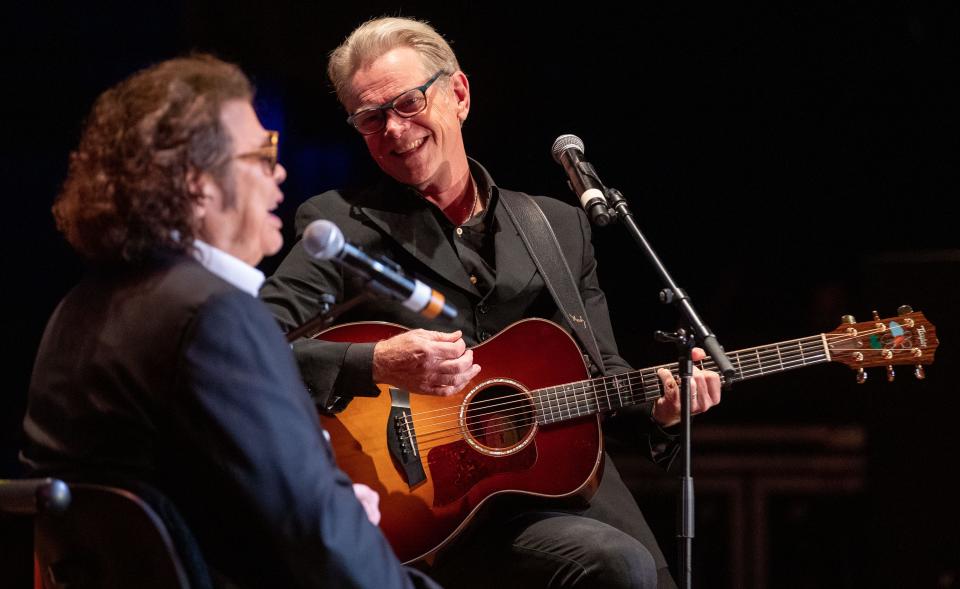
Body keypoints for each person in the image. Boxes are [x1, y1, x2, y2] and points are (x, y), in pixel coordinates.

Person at [260, 17, 722, 589]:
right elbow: (248, 343)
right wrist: (374, 364)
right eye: (371, 119)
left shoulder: (557, 227)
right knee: (616, 565)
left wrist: (664, 410)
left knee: (644, 571)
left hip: (552, 488)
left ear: (458, 95)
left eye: (407, 104)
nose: (395, 131)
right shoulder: (340, 226)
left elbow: (605, 376)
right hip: (424, 513)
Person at [21, 54, 438, 589]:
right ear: (199, 183)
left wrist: (323, 505)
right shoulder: (214, 317)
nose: (280, 171)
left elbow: (187, 503)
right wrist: (332, 514)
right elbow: (321, 540)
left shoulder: (79, 308)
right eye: (262, 155)